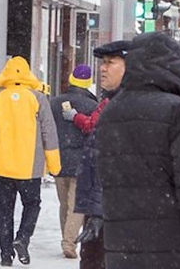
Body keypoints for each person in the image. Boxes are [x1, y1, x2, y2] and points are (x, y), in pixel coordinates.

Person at [95, 32, 180, 269]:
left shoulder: (111, 112)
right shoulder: (176, 110)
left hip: (121, 245)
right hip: (173, 246)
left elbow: (105, 178)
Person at [0, 56, 61, 266]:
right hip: (29, 166)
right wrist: (54, 164)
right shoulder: (38, 98)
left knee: (4, 211)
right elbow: (49, 133)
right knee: (32, 204)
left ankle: (5, 256)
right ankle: (22, 238)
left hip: (1, 164)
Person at [69, 40, 130, 269]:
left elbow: (116, 167)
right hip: (104, 212)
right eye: (102, 63)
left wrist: (100, 212)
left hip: (116, 216)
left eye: (110, 62)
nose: (103, 68)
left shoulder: (127, 109)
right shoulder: (110, 103)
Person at [49, 64, 98, 259]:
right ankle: (69, 242)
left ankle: (66, 238)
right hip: (81, 160)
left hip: (58, 159)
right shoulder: (92, 106)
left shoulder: (54, 103)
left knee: (63, 204)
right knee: (75, 205)